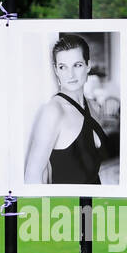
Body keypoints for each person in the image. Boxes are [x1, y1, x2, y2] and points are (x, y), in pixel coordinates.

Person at [25, 35, 110, 185]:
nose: (70, 74)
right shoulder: (53, 111)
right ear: (56, 70)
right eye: (63, 67)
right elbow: (33, 175)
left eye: (77, 65)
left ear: (88, 65)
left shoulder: (93, 106)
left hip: (94, 204)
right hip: (65, 206)